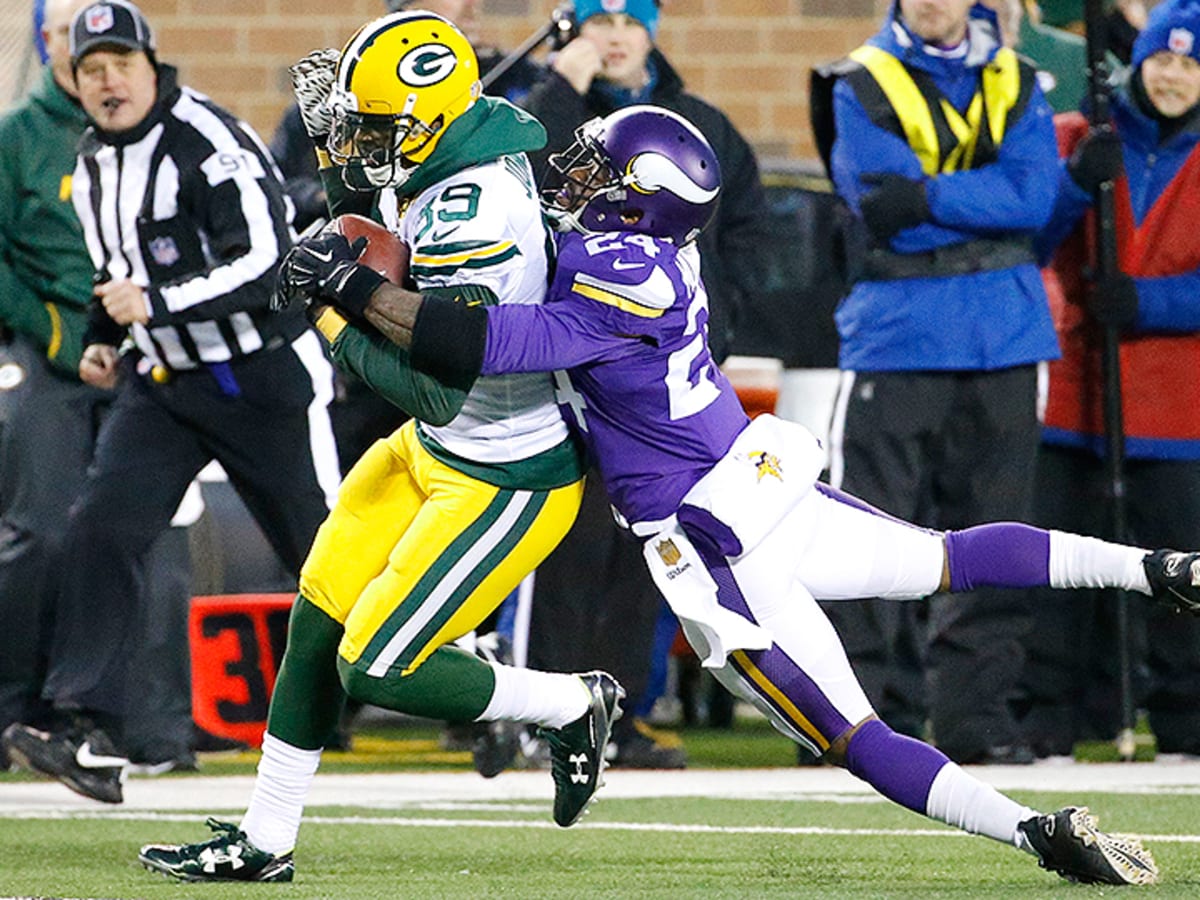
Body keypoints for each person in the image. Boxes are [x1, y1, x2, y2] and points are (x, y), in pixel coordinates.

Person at [274, 101, 1184, 886]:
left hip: (707, 540)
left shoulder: (613, 271)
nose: (577, 171)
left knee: (854, 734)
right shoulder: (637, 247)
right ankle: (1154, 568)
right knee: (941, 558)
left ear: (640, 193)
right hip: (758, 479)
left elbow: (481, 345)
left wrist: (350, 286)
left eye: (600, 164)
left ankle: (1033, 831)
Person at [136, 10, 621, 882]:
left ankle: (568, 701)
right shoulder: (446, 155)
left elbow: (434, 379)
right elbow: (371, 235)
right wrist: (333, 162)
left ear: (430, 117)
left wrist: (331, 313)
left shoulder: (482, 207)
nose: (364, 142)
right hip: (440, 446)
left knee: (380, 666)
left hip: (508, 470)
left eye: (376, 126)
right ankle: (266, 840)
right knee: (318, 616)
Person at [0, 0, 342, 803]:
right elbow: (110, 268)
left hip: (258, 382)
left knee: (327, 557)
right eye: (91, 69)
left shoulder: (209, 141)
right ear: (73, 82)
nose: (108, 80)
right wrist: (99, 334)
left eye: (122, 63)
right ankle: (84, 725)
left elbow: (268, 265)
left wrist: (154, 303)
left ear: (153, 67)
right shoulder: (88, 162)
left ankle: (470, 686)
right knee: (99, 529)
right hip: (164, 387)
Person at [516, 0, 768, 768]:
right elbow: (524, 185)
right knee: (563, 550)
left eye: (630, 18)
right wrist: (561, 87)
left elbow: (749, 227)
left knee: (647, 552)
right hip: (571, 379)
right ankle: (541, 713)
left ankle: (617, 714)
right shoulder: (544, 115)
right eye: (598, 20)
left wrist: (718, 320)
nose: (616, 35)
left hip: (661, 396)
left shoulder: (699, 122)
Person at [811, 0, 1062, 764]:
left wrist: (928, 193)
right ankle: (852, 724)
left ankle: (975, 722)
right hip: (899, 338)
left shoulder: (1017, 79)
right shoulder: (857, 81)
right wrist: (979, 199)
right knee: (864, 537)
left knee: (997, 537)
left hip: (1004, 339)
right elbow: (881, 210)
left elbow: (1036, 197)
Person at [0, 0, 205, 775]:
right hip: (46, 351)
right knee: (42, 534)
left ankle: (152, 731)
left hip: (149, 352)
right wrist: (54, 329)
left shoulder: (171, 133)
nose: (102, 70)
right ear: (50, 41)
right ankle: (17, 714)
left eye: (119, 56)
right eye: (81, 48)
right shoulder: (16, 138)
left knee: (152, 538)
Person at [1021, 0, 1200, 758]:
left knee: (1182, 580)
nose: (1173, 75)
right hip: (1075, 396)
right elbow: (1028, 233)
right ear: (1140, 59)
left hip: (1176, 408)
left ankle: (1189, 726)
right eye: (1164, 57)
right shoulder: (1079, 135)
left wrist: (1151, 301)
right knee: (1060, 573)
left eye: (1192, 64)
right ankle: (1048, 725)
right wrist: (1072, 183)